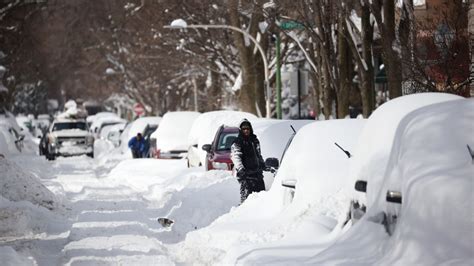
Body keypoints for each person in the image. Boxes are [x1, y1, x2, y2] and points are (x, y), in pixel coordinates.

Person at [231, 119, 267, 203]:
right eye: (244, 129)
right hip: (246, 176)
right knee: (247, 202)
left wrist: (262, 164)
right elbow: (236, 157)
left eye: (248, 128)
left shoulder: (254, 140)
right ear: (240, 130)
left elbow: (258, 154)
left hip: (257, 175)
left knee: (262, 199)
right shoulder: (237, 142)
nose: (246, 130)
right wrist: (240, 169)